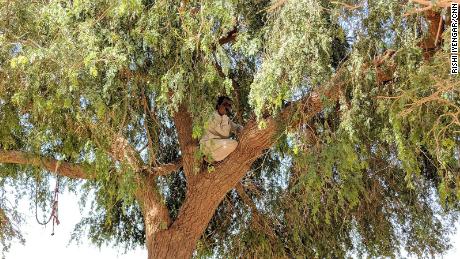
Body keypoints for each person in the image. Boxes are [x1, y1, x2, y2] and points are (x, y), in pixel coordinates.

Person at [200, 96, 243, 162]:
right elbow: (224, 134)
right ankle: (210, 159)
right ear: (218, 105)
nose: (227, 107)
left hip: (218, 145)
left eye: (229, 105)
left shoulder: (225, 118)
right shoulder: (212, 116)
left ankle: (216, 159)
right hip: (208, 145)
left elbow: (236, 127)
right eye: (225, 104)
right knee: (233, 143)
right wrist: (225, 117)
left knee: (233, 144)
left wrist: (242, 129)